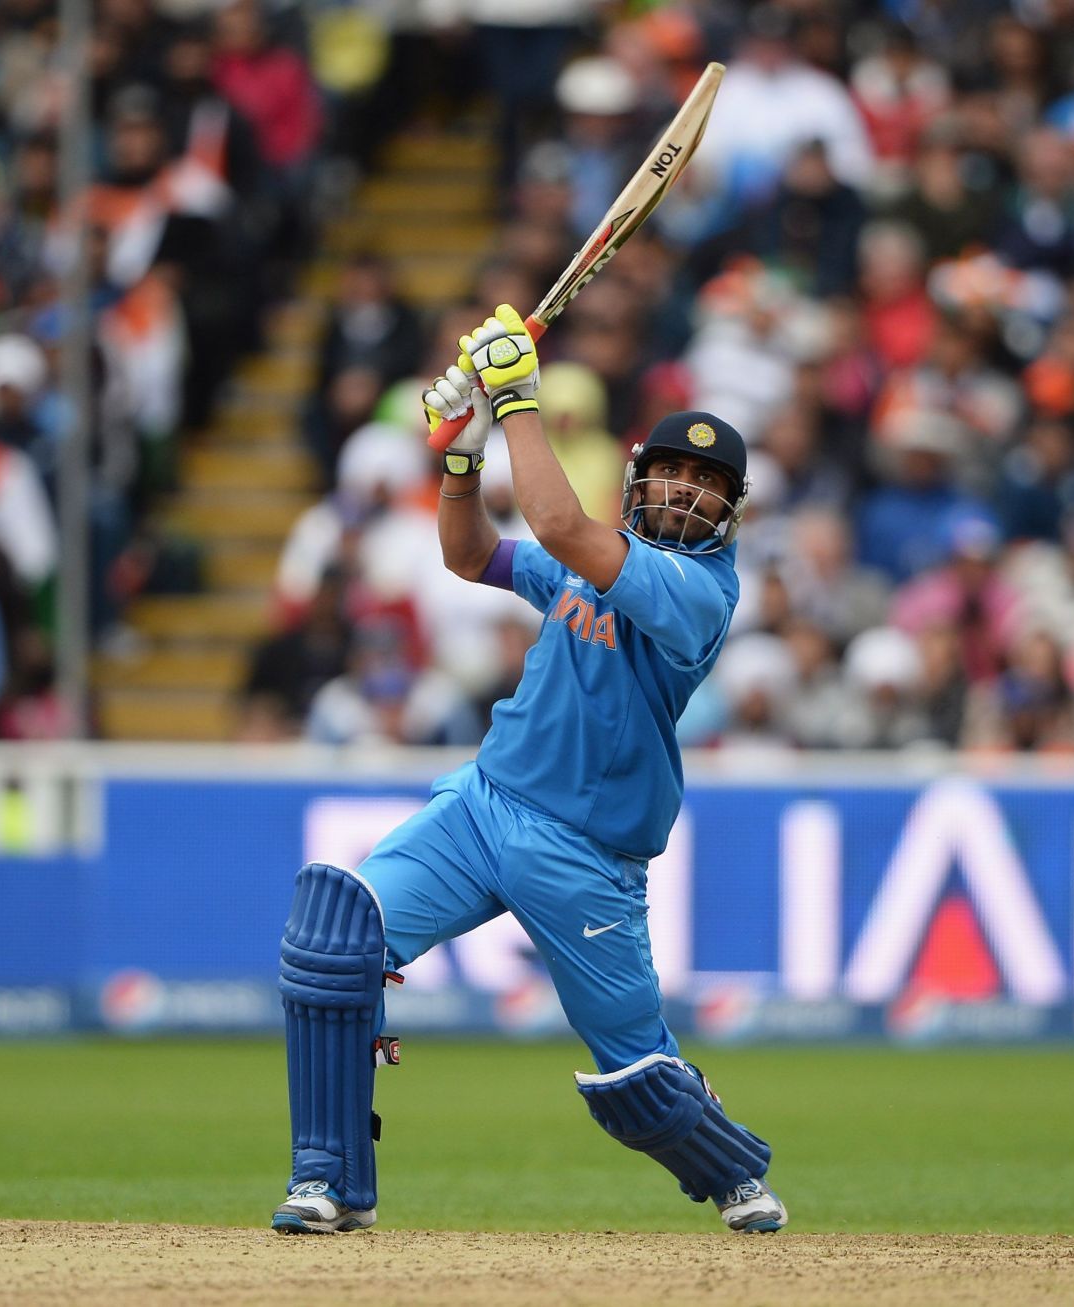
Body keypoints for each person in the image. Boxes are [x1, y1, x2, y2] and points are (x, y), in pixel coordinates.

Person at [270, 306, 784, 1236]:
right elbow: (469, 554)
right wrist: (462, 455)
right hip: (482, 805)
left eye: (708, 483)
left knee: (635, 1087)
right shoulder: (584, 569)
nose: (685, 490)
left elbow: (553, 518)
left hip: (585, 855)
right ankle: (329, 1181)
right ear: (638, 475)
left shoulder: (699, 592)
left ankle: (731, 1164)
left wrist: (515, 399)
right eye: (671, 469)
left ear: (732, 509)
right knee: (334, 941)